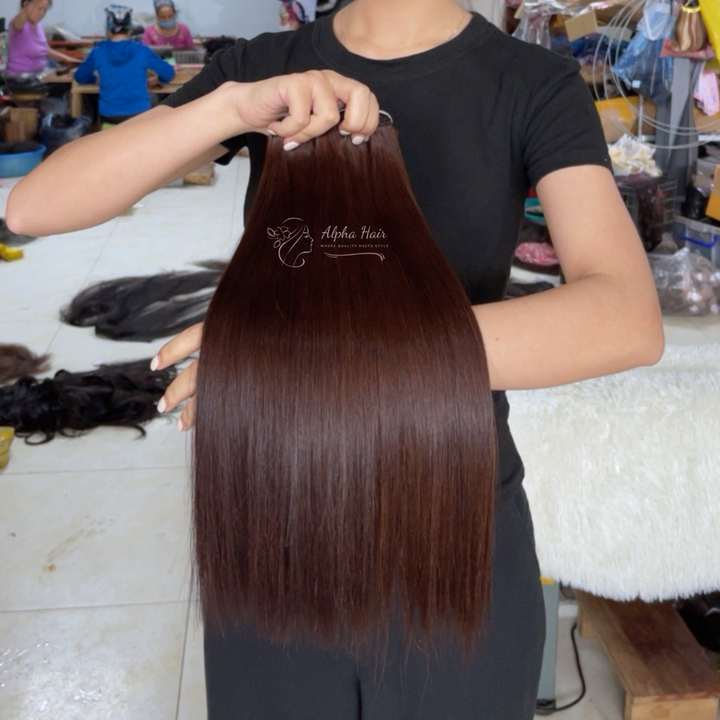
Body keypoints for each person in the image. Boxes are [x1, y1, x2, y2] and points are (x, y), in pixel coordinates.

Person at [5, 0, 665, 716]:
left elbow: (624, 317)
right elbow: (34, 207)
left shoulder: (531, 82)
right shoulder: (259, 70)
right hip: (273, 519)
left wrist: (307, 356)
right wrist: (228, 108)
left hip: (453, 517)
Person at [74, 5, 175, 126]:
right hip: (140, 115)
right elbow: (169, 74)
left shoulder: (98, 52)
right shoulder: (142, 50)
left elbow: (80, 76)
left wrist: (95, 79)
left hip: (109, 117)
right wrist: (157, 79)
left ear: (108, 30)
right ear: (130, 30)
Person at [7, 0, 80, 77]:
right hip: (19, 79)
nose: (42, 13)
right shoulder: (17, 23)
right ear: (27, 4)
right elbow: (20, 17)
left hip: (38, 75)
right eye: (39, 8)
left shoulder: (38, 25)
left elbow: (44, 50)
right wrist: (27, 6)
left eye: (45, 10)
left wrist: (67, 58)